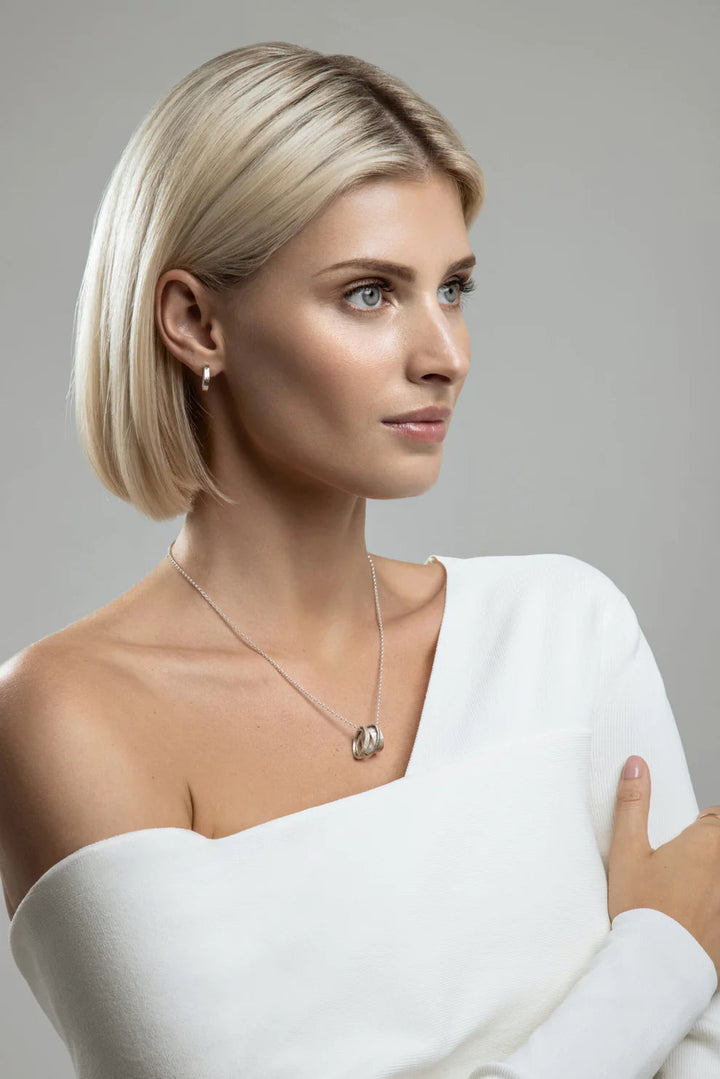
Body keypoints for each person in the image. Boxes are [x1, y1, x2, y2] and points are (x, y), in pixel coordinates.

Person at [0, 40, 719, 1079]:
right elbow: (683, 980)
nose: (447, 353)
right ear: (196, 320)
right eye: (371, 293)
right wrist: (657, 959)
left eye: (454, 287)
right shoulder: (68, 714)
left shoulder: (569, 632)